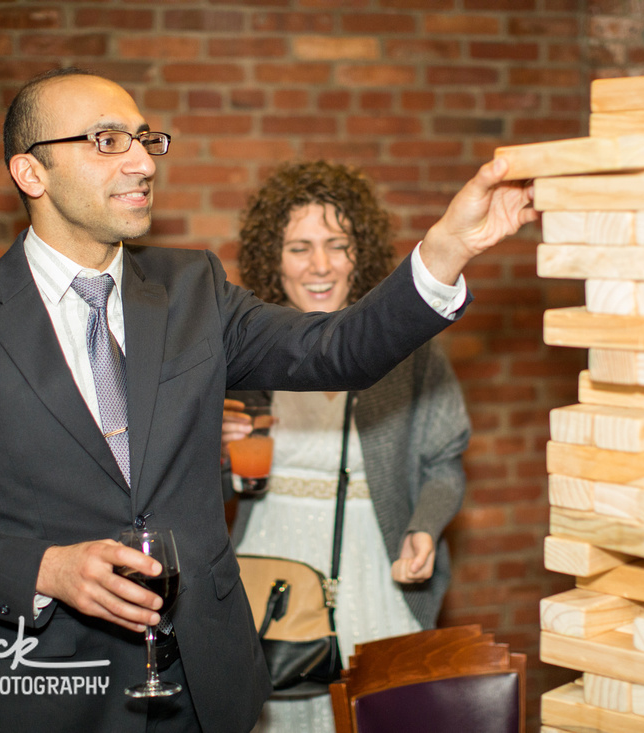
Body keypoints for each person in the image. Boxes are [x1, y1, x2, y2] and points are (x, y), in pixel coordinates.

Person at [0, 67, 536, 733]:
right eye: (106, 140)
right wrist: (46, 568)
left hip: (208, 686)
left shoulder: (194, 289)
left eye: (146, 139)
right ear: (30, 172)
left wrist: (447, 247)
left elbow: (338, 349)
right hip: (52, 687)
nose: (142, 162)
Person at [223, 161, 471, 732]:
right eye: (299, 247)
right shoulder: (244, 354)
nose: (320, 266)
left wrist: (425, 526)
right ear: (271, 258)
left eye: (338, 245)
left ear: (361, 254)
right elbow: (191, 485)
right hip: (269, 570)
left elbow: (443, 461)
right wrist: (217, 454)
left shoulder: (407, 346)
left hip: (378, 567)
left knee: (384, 713)